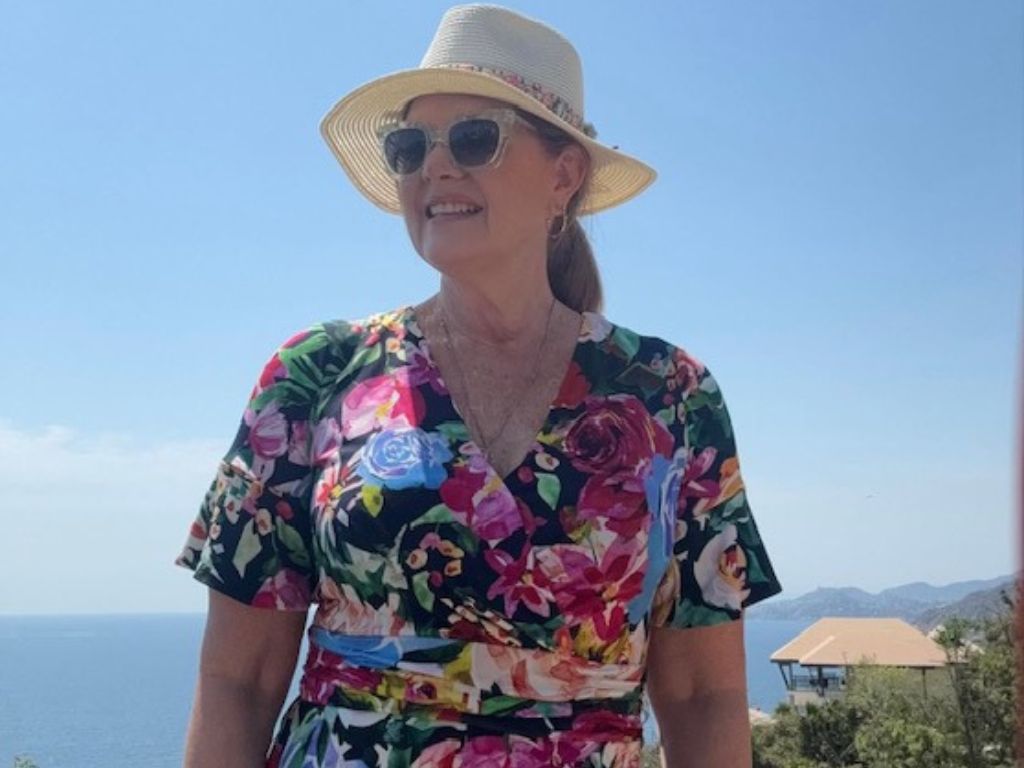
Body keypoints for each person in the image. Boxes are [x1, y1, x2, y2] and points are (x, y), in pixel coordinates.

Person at [175, 5, 783, 767]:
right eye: (409, 147)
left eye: (472, 138)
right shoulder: (313, 375)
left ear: (564, 175)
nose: (434, 167)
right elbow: (239, 680)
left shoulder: (671, 396)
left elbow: (701, 695)